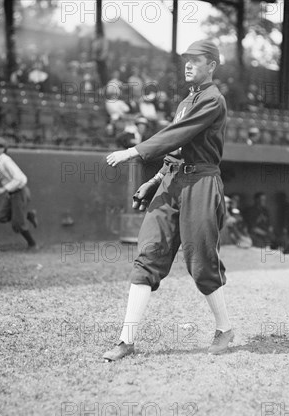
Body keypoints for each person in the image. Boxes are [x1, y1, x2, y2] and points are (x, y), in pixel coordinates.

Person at [104, 40, 233, 361]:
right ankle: (126, 340)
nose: (188, 65)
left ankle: (224, 328)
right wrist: (154, 180)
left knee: (201, 261)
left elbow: (175, 136)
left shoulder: (213, 100)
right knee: (148, 254)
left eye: (196, 60)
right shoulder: (186, 101)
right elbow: (176, 149)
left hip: (201, 182)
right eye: (186, 60)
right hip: (173, 179)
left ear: (212, 65)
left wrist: (134, 151)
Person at [0, 136, 38, 250]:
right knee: (1, 216)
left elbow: (19, 178)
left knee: (18, 223)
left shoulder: (4, 160)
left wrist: (5, 189)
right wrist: (8, 190)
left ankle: (33, 244)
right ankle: (28, 215)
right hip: (12, 193)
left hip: (19, 191)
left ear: (2, 148)